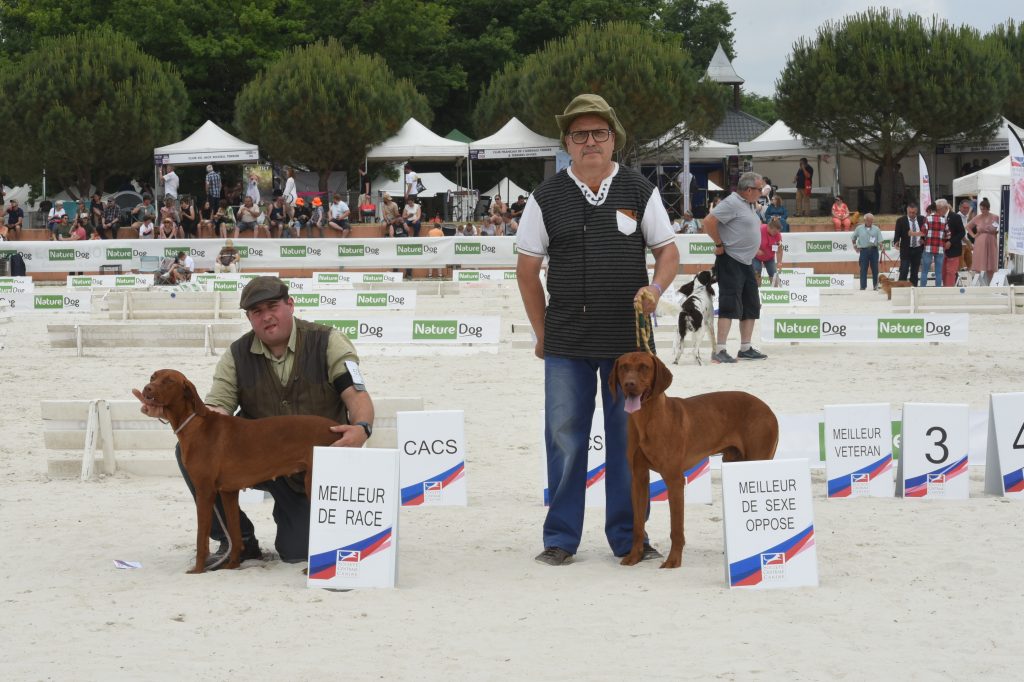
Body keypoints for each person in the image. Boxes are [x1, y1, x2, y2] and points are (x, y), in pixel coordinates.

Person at [516, 94, 678, 566]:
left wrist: (655, 287)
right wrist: (542, 333)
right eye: (580, 134)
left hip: (628, 348)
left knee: (630, 442)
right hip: (567, 341)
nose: (590, 142)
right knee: (565, 437)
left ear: (614, 140)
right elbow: (527, 271)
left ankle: (629, 536)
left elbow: (668, 253)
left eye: (599, 133)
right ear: (567, 142)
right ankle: (561, 538)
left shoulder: (639, 191)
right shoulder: (544, 197)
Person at [132, 276, 374, 569]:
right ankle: (238, 542)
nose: (266, 316)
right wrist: (172, 412)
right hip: (256, 462)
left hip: (316, 462)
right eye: (256, 312)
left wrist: (362, 428)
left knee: (298, 549)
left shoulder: (327, 341)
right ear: (249, 318)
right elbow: (214, 410)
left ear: (290, 304)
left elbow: (355, 393)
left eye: (272, 306)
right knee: (192, 453)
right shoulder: (236, 354)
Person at [702, 171, 769, 364]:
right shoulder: (732, 203)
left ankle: (745, 348)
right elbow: (708, 222)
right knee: (729, 303)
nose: (761, 192)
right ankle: (720, 349)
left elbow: (744, 229)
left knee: (751, 304)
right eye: (759, 189)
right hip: (731, 260)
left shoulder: (748, 204)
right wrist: (719, 245)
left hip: (746, 261)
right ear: (748, 190)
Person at [966, 197, 998, 285]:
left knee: (991, 263)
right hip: (980, 241)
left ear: (988, 208)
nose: (982, 211)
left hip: (991, 241)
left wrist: (995, 233)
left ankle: (991, 284)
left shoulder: (995, 217)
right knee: (979, 261)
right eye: (981, 209)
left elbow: (998, 228)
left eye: (983, 209)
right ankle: (978, 283)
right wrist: (973, 235)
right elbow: (968, 227)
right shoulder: (977, 217)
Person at [893, 202, 926, 284]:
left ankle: (913, 288)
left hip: (918, 249)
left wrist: (923, 239)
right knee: (904, 269)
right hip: (906, 249)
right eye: (910, 212)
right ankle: (901, 289)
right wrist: (896, 242)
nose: (911, 214)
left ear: (917, 211)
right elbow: (897, 233)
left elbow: (926, 232)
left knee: (915, 271)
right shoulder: (901, 220)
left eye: (913, 212)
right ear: (907, 211)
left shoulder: (922, 219)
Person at [919, 198, 949, 287]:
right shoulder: (944, 220)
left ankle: (922, 289)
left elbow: (923, 231)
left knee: (924, 271)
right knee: (938, 272)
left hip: (928, 247)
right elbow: (948, 235)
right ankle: (938, 290)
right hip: (939, 248)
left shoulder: (928, 219)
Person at [852, 213, 882, 290]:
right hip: (863, 251)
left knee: (875, 269)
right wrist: (855, 246)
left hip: (874, 250)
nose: (870, 222)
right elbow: (853, 238)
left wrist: (882, 247)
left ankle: (875, 286)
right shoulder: (859, 228)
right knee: (863, 269)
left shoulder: (876, 229)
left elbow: (880, 240)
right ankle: (863, 286)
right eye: (868, 220)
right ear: (864, 220)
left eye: (871, 220)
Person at [753, 217, 784, 286]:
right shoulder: (760, 230)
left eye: (778, 232)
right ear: (769, 228)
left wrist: (779, 262)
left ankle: (777, 293)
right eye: (775, 231)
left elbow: (779, 250)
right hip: (756, 257)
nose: (777, 233)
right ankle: (756, 291)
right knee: (756, 272)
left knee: (774, 274)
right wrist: (756, 250)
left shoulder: (778, 235)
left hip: (769, 257)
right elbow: (750, 241)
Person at [942, 200, 967, 286]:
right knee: (943, 271)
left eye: (938, 209)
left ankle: (949, 292)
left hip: (953, 249)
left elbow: (962, 233)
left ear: (945, 208)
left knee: (950, 272)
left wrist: (951, 242)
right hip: (941, 249)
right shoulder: (937, 216)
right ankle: (945, 290)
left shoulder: (955, 217)